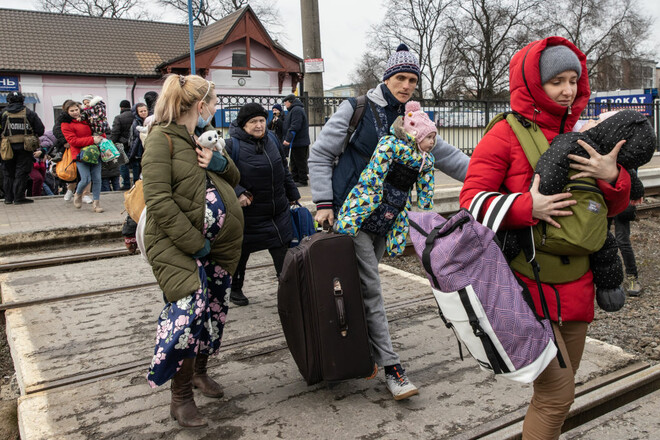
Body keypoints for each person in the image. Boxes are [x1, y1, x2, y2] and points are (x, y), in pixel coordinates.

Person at [459, 37, 631, 439]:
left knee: (559, 395)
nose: (568, 90)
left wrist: (612, 177)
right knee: (556, 395)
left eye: (574, 80)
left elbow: (613, 208)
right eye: (557, 81)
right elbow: (471, 202)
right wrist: (526, 208)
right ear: (534, 82)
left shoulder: (584, 132)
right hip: (529, 286)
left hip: (578, 286)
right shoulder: (504, 134)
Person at [308, 43, 469, 400]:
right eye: (400, 78)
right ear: (387, 78)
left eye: (412, 79)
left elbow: (449, 157)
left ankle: (356, 354)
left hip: (388, 218)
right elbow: (320, 154)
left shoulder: (416, 119)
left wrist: (491, 180)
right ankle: (392, 368)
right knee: (371, 290)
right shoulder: (357, 109)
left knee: (358, 289)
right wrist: (322, 203)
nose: (407, 85)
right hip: (354, 214)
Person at [141, 74, 243, 429]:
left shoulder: (200, 139)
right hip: (176, 245)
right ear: (201, 106)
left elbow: (232, 175)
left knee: (213, 309)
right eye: (214, 104)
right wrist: (195, 243)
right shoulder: (161, 140)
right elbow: (158, 201)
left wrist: (217, 162)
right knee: (187, 310)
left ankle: (199, 373)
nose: (215, 111)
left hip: (217, 246)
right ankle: (180, 397)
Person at [335, 100, 436, 259]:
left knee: (388, 237)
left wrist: (426, 203)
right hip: (375, 198)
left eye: (433, 138)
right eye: (428, 137)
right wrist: (374, 187)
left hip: (397, 205)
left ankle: (388, 255)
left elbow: (426, 183)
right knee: (359, 221)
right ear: (415, 135)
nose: (432, 142)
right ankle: (347, 228)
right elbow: (376, 168)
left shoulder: (427, 160)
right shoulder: (391, 144)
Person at [225, 103, 300, 306]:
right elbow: (221, 177)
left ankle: (289, 291)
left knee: (282, 253)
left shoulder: (272, 139)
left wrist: (293, 193)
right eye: (253, 122)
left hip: (277, 210)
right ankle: (235, 288)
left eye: (261, 120)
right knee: (241, 254)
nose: (259, 125)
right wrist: (238, 192)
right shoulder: (231, 145)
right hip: (249, 214)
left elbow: (283, 168)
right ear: (243, 125)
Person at [60, 100, 105, 213]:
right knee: (85, 179)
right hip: (80, 154)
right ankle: (78, 193)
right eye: (72, 111)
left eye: (76, 109)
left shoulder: (87, 118)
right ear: (66, 111)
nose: (75, 112)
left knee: (97, 178)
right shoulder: (66, 124)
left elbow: (98, 128)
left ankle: (96, 203)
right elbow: (73, 141)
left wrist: (102, 137)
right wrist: (92, 140)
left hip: (95, 152)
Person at [1, 91, 46, 204]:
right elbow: (40, 130)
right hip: (25, 148)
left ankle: (8, 198)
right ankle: (19, 198)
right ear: (22, 100)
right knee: (21, 173)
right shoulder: (30, 113)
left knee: (8, 173)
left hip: (7, 148)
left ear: (8, 100)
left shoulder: (3, 113)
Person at [282, 94, 310, 186]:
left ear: (290, 101)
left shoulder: (296, 110)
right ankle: (295, 179)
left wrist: (288, 139)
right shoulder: (294, 110)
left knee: (300, 161)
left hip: (299, 142)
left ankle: (302, 180)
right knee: (294, 161)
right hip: (296, 142)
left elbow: (295, 125)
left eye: (285, 102)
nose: (285, 104)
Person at [111, 99, 135, 189]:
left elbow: (115, 132)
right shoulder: (135, 116)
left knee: (123, 164)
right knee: (135, 163)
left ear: (121, 107)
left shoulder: (119, 117)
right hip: (134, 143)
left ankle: (126, 184)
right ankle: (136, 182)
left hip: (122, 144)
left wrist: (112, 143)